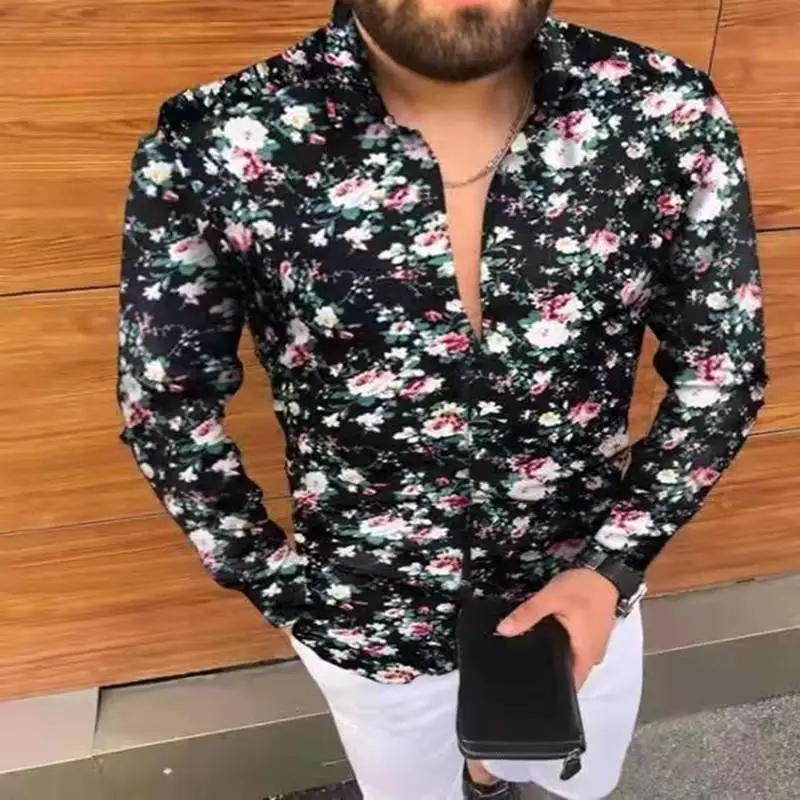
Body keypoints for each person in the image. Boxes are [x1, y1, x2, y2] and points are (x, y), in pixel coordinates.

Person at [117, 0, 767, 797]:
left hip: (582, 588)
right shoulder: (216, 138)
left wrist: (615, 563)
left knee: (580, 781)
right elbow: (166, 404)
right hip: (367, 614)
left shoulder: (662, 110)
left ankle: (489, 775)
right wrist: (283, 587)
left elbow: (721, 369)